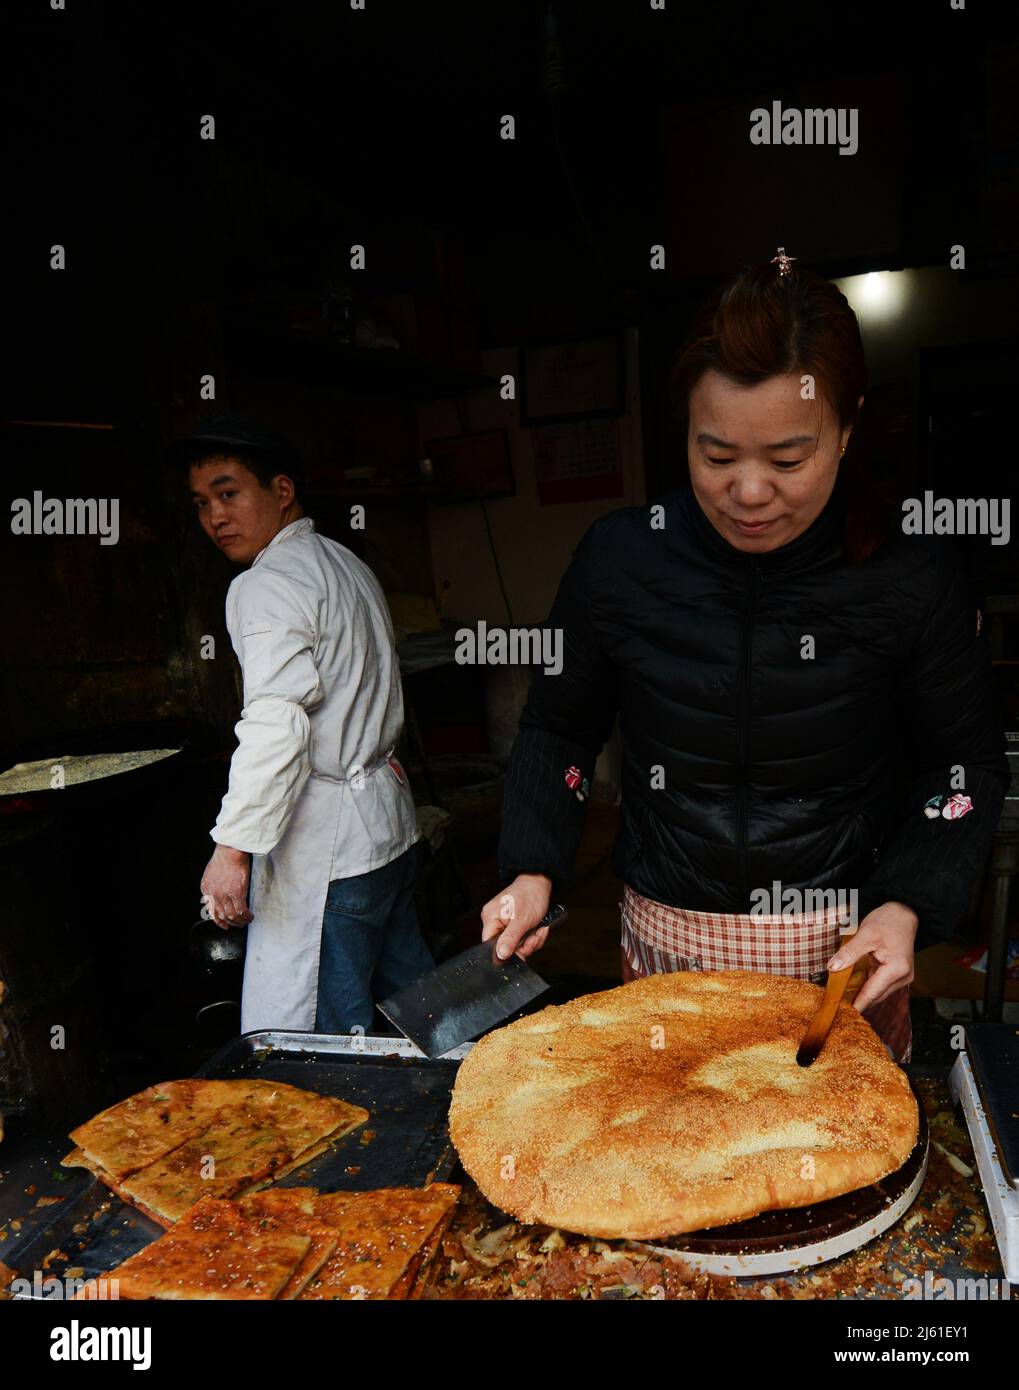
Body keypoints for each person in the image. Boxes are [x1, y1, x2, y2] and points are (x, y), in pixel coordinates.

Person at [482, 255, 1009, 1063]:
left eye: (788, 460)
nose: (750, 492)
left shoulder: (910, 575)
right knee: (671, 1147)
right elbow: (558, 730)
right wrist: (531, 867)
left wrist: (905, 903)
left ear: (846, 428)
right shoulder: (622, 560)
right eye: (717, 456)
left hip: (841, 948)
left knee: (837, 1156)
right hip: (666, 933)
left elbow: (961, 765)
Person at [172, 412, 432, 1034]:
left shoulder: (264, 586)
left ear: (281, 490)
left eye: (229, 493)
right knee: (420, 1009)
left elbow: (276, 724)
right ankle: (466, 1110)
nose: (215, 517)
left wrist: (231, 850)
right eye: (202, 502)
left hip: (332, 852)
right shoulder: (344, 563)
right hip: (389, 832)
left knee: (328, 1039)